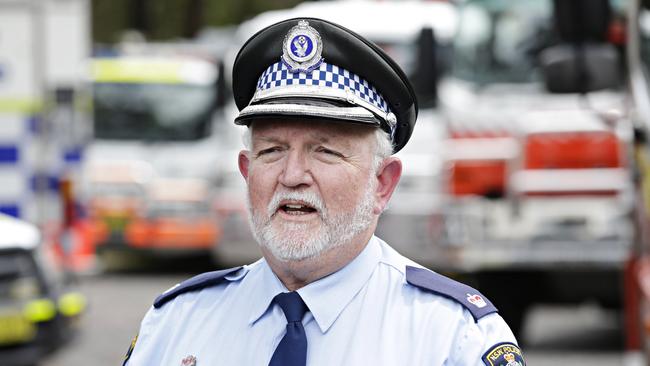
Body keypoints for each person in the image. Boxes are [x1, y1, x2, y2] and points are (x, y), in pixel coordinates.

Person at [123, 18, 525, 366]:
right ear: (247, 173)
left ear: (382, 184)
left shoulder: (451, 337)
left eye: (325, 152)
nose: (293, 174)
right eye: (273, 150)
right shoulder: (178, 321)